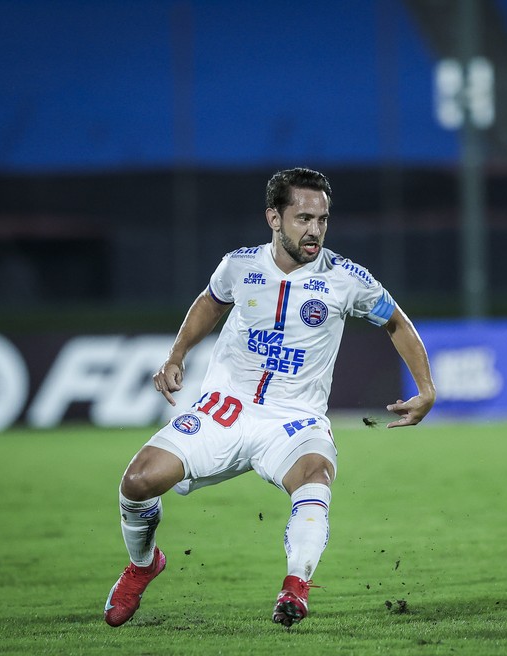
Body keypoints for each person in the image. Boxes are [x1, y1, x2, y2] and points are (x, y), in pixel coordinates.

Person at [103, 167, 436, 626]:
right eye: (302, 218)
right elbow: (210, 302)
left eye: (322, 219)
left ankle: (295, 587)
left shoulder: (346, 278)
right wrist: (177, 354)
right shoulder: (240, 264)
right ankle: (143, 567)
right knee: (137, 482)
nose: (314, 229)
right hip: (226, 410)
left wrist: (426, 389)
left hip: (294, 421)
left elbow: (396, 321)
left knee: (316, 475)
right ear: (274, 219)